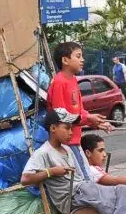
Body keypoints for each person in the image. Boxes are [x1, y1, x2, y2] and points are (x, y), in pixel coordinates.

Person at [47, 42, 113, 179]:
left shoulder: (73, 81)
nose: (82, 59)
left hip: (75, 140)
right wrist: (88, 119)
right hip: (67, 143)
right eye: (78, 56)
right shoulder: (59, 82)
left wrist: (96, 122)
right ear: (65, 60)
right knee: (85, 181)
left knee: (86, 178)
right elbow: (60, 116)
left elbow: (80, 110)